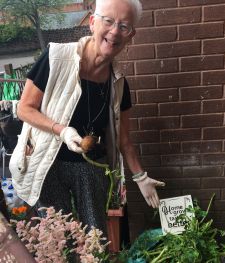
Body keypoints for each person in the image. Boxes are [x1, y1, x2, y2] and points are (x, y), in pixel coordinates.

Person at [9, 0, 165, 236]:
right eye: (109, 21)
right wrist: (62, 130)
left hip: (91, 168)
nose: (114, 32)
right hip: (49, 163)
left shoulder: (119, 83)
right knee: (58, 235)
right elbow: (24, 108)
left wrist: (140, 177)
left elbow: (124, 141)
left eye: (124, 26)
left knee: (94, 237)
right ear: (93, 22)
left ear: (131, 35)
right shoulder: (55, 57)